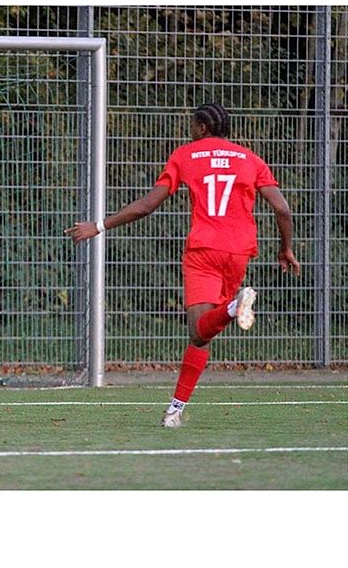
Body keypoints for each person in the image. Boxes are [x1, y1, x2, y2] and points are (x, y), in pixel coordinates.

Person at [64, 103, 300, 427]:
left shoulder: (186, 155)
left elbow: (147, 205)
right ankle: (175, 410)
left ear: (202, 127)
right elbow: (282, 209)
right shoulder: (251, 159)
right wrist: (286, 249)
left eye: (192, 125)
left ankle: (233, 307)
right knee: (202, 336)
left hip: (203, 250)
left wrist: (100, 226)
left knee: (197, 329)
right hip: (239, 252)